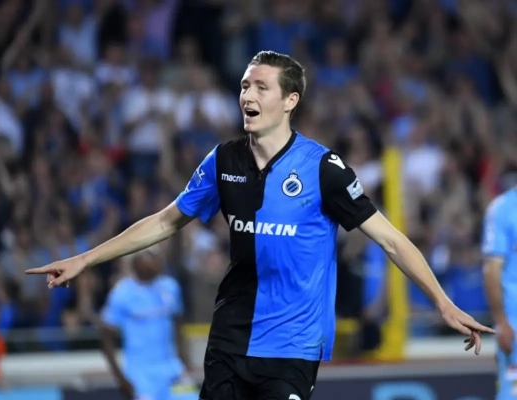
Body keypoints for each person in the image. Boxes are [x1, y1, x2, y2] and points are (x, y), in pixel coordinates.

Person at [27, 51, 494, 400]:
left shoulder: (323, 168)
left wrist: (443, 302)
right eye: (244, 86)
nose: (247, 96)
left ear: (290, 100)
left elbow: (391, 240)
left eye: (261, 88)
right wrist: (86, 259)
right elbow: (167, 220)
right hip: (230, 336)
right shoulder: (223, 160)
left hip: (293, 345)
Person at [99, 247, 195, 400]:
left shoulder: (170, 287)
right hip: (140, 372)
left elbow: (178, 322)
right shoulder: (122, 293)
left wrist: (183, 358)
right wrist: (120, 378)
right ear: (135, 263)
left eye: (157, 256)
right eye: (149, 256)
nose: (156, 261)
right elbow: (106, 338)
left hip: (171, 366)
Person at [482, 189, 517, 400]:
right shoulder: (504, 208)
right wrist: (502, 321)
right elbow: (492, 270)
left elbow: (491, 269)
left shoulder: (503, 207)